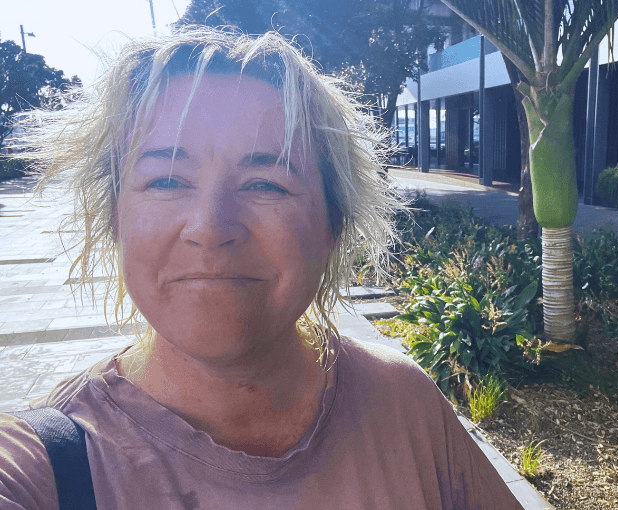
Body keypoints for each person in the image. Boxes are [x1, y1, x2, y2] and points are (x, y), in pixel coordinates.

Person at [0, 27, 523, 509]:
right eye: (166, 180)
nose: (209, 226)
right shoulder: (45, 462)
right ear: (116, 216)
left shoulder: (405, 405)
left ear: (332, 224)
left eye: (266, 184)